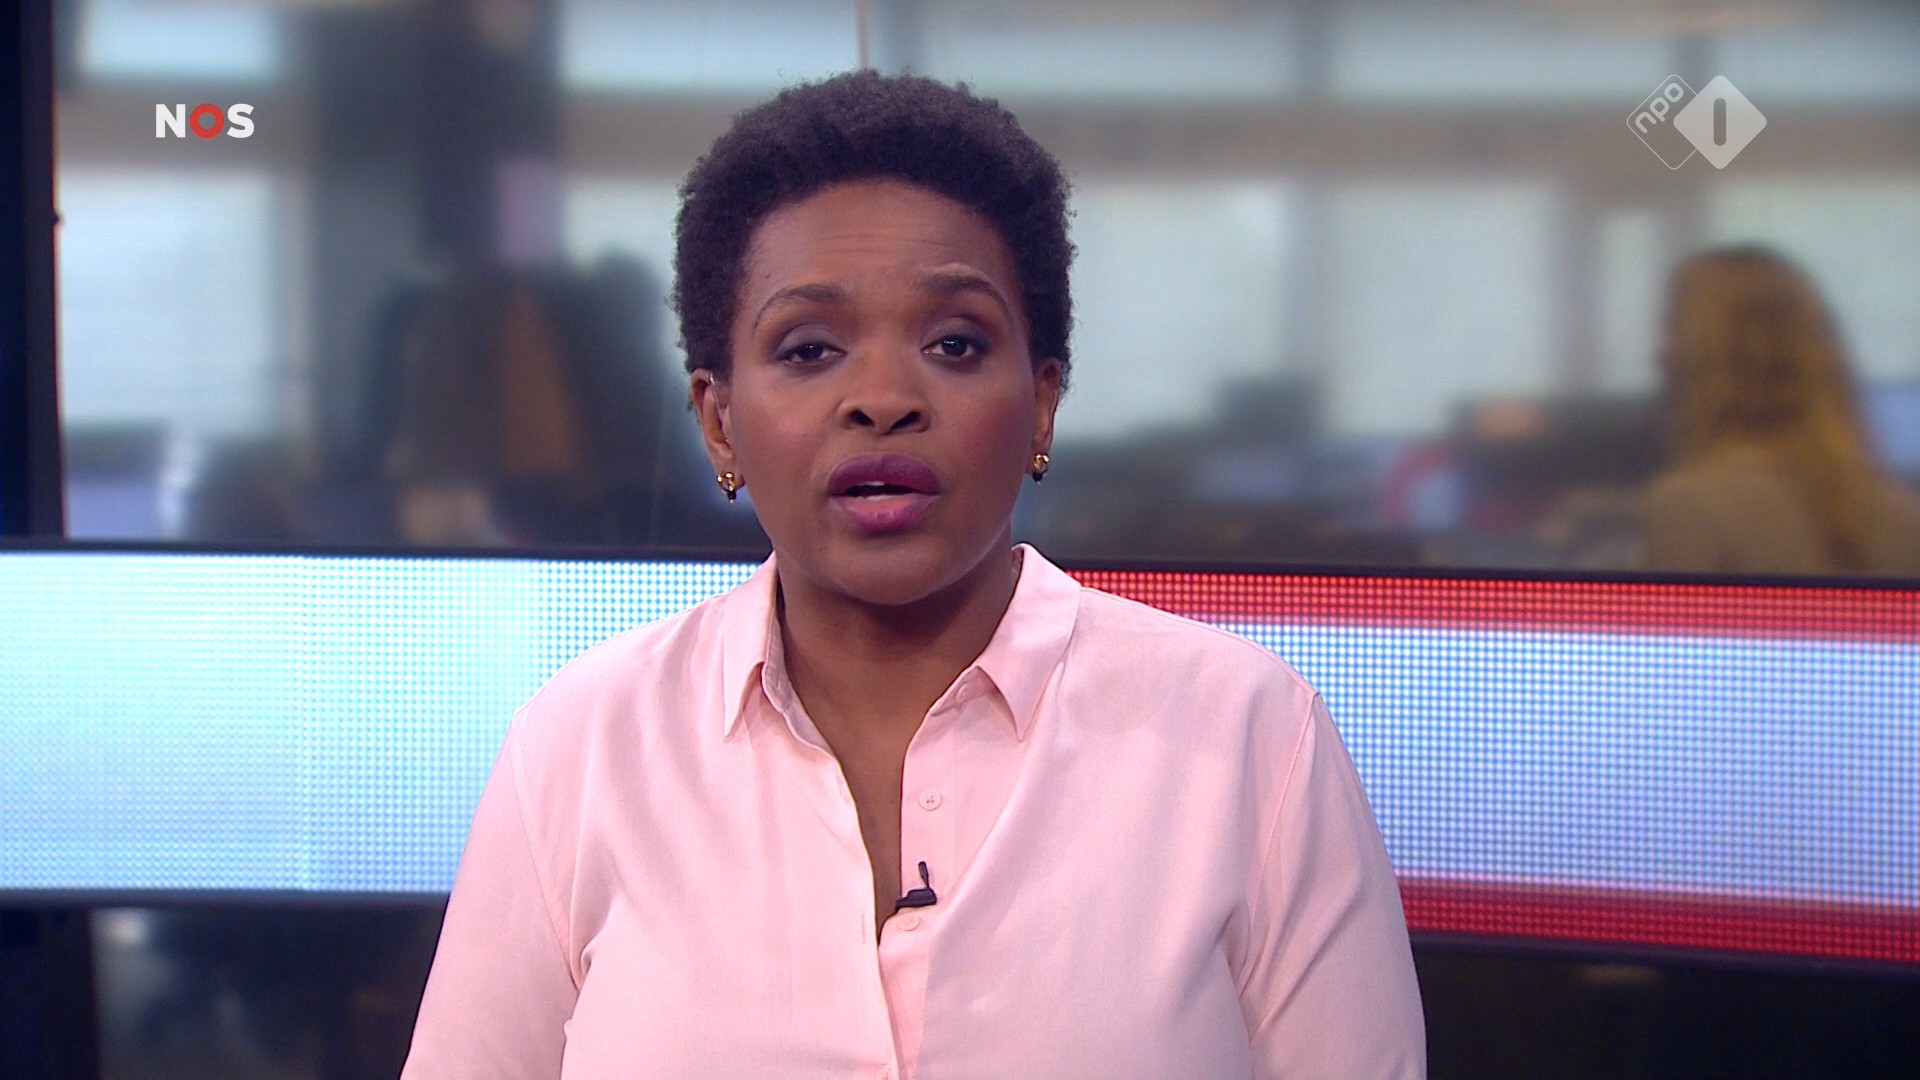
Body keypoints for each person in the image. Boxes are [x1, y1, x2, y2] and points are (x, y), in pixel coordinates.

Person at [402, 70, 1423, 1079]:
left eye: (955, 342)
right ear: (719, 421)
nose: (884, 398)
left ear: (1042, 403)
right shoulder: (581, 748)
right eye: (809, 350)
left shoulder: (1250, 737)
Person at [1644, 246, 1920, 576]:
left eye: (1672, 331)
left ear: (1709, 359)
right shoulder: (1899, 511)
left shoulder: (1688, 506)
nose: (1661, 356)